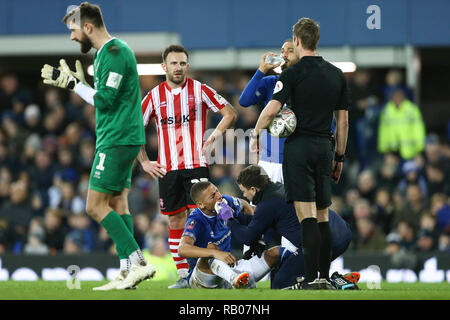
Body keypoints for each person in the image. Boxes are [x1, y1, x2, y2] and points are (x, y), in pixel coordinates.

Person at [40, 2, 155, 290]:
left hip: (117, 139)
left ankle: (140, 263)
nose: (72, 37)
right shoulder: (107, 53)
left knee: (94, 206)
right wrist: (80, 83)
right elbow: (104, 96)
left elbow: (104, 101)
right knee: (117, 203)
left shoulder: (114, 54)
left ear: (88, 27)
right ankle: (125, 271)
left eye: (73, 31)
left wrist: (71, 85)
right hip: (120, 136)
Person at [251, 18, 350, 289]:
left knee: (306, 216)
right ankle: (326, 277)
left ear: (296, 40)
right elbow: (343, 122)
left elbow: (271, 110)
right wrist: (339, 157)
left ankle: (309, 279)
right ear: (316, 40)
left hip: (299, 148)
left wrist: (255, 133)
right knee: (323, 216)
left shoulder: (291, 74)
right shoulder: (336, 74)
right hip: (325, 148)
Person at [138, 44, 238, 288]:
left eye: (182, 63)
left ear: (188, 66)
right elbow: (134, 129)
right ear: (164, 66)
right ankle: (185, 276)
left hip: (196, 166)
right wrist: (144, 161)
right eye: (173, 63)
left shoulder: (200, 89)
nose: (178, 67)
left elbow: (230, 113)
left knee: (207, 218)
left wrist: (214, 136)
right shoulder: (153, 96)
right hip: (168, 169)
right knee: (175, 222)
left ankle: (214, 273)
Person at [227, 165, 357, 289]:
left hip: (322, 242)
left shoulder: (267, 204)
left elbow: (247, 238)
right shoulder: (280, 188)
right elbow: (259, 222)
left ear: (253, 189)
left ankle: (334, 282)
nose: (244, 196)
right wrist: (235, 215)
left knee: (281, 284)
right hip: (341, 231)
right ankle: (329, 279)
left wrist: (229, 220)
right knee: (289, 272)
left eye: (244, 191)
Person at [177, 181, 282, 289]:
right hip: (203, 280)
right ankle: (234, 279)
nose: (219, 196)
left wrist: (256, 236)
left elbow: (244, 204)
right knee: (211, 248)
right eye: (213, 196)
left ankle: (240, 281)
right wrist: (214, 253)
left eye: (217, 191)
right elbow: (182, 249)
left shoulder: (225, 201)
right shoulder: (196, 220)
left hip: (227, 269)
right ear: (200, 204)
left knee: (276, 253)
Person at [239, 39, 299, 183]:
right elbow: (244, 100)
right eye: (282, 51)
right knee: (263, 205)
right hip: (268, 161)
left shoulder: (308, 85)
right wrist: (261, 70)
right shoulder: (271, 82)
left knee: (298, 206)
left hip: (296, 160)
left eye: (290, 51)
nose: (284, 55)